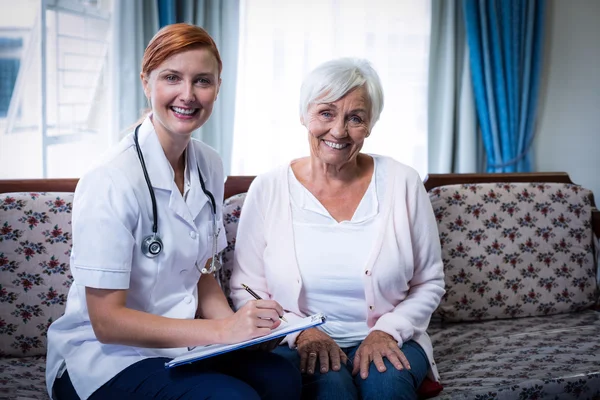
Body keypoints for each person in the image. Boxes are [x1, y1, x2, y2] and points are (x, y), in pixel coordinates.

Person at [45, 23, 301, 400]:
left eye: (202, 81)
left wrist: (240, 330)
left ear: (217, 87)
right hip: (104, 358)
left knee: (282, 377)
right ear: (146, 82)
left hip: (177, 346)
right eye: (171, 78)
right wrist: (222, 333)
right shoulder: (111, 178)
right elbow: (106, 321)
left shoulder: (209, 165)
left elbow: (203, 275)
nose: (188, 94)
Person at [230, 58, 445, 400]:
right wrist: (299, 333)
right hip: (297, 340)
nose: (339, 131)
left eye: (355, 118)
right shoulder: (268, 188)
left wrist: (387, 332)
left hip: (391, 337)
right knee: (331, 390)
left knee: (387, 389)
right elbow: (246, 288)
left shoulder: (403, 182)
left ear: (370, 125)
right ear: (304, 115)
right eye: (326, 113)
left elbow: (429, 282)